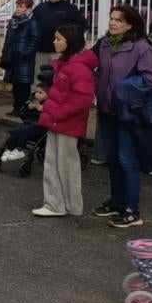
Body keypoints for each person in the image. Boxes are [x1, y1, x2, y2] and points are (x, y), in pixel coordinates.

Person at [91, 4, 152, 228]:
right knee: (112, 158)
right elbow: (91, 66)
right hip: (106, 110)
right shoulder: (104, 43)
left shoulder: (141, 47)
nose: (112, 22)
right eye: (111, 18)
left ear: (130, 24)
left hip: (128, 113)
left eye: (118, 20)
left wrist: (126, 91)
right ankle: (117, 202)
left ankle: (132, 210)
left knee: (126, 159)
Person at [32, 26, 97, 217]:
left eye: (58, 38)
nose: (54, 42)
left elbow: (83, 98)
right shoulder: (67, 64)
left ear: (70, 42)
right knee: (55, 163)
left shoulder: (78, 67)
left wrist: (57, 112)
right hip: (58, 121)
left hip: (66, 123)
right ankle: (60, 204)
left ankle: (62, 204)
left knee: (64, 165)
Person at [32, 0, 86, 71]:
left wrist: (70, 45)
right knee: (40, 77)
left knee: (59, 76)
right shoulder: (40, 8)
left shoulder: (71, 9)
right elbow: (31, 26)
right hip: (41, 52)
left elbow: (80, 28)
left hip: (61, 53)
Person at [0, 0, 39, 116]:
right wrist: (5, 51)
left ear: (28, 9)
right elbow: (8, 38)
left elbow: (35, 39)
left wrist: (25, 53)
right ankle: (16, 108)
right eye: (17, 6)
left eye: (21, 7)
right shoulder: (13, 21)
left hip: (24, 59)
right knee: (15, 85)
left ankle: (22, 109)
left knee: (23, 86)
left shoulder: (32, 22)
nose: (18, 9)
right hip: (13, 57)